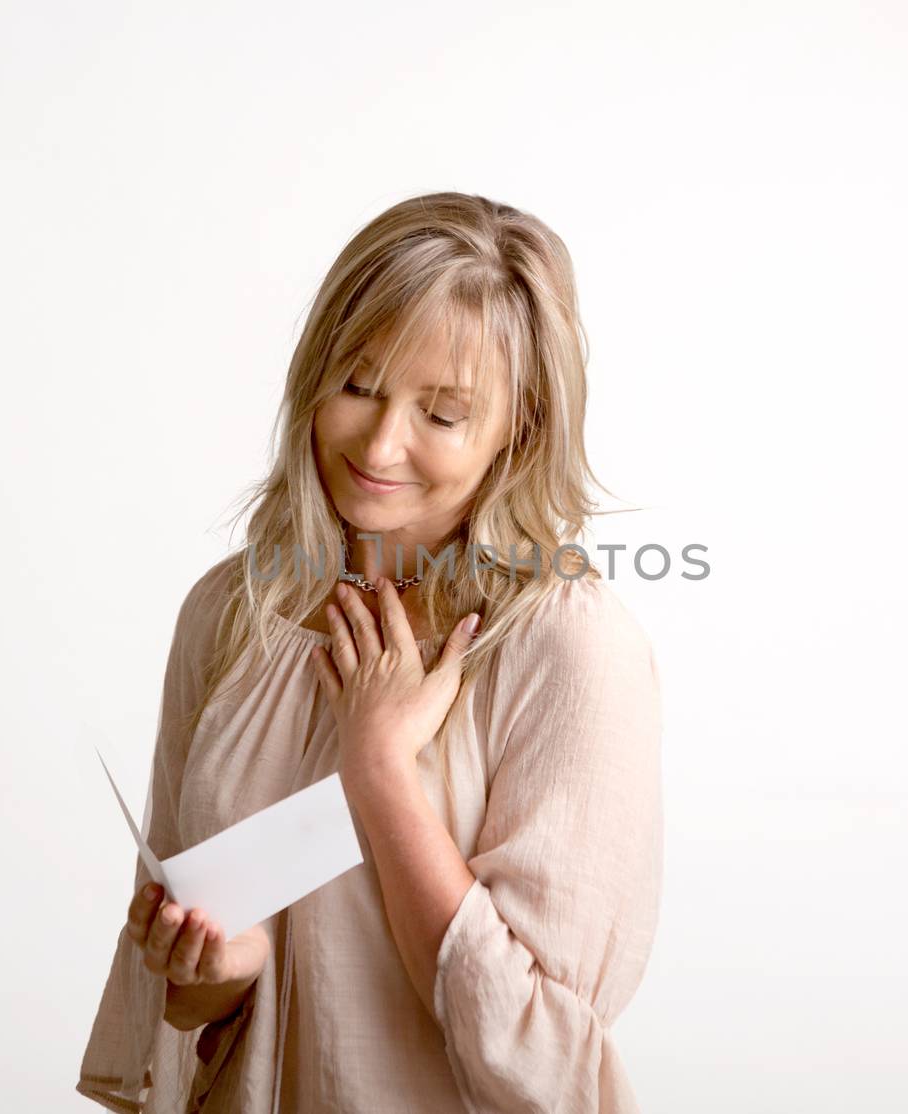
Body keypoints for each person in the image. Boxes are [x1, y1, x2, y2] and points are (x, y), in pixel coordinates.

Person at [76, 192, 663, 1113]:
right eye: (357, 385)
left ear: (523, 424)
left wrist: (379, 766)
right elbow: (187, 1014)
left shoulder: (570, 651)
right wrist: (218, 969)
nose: (381, 443)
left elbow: (543, 1065)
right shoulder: (233, 615)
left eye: (443, 412)